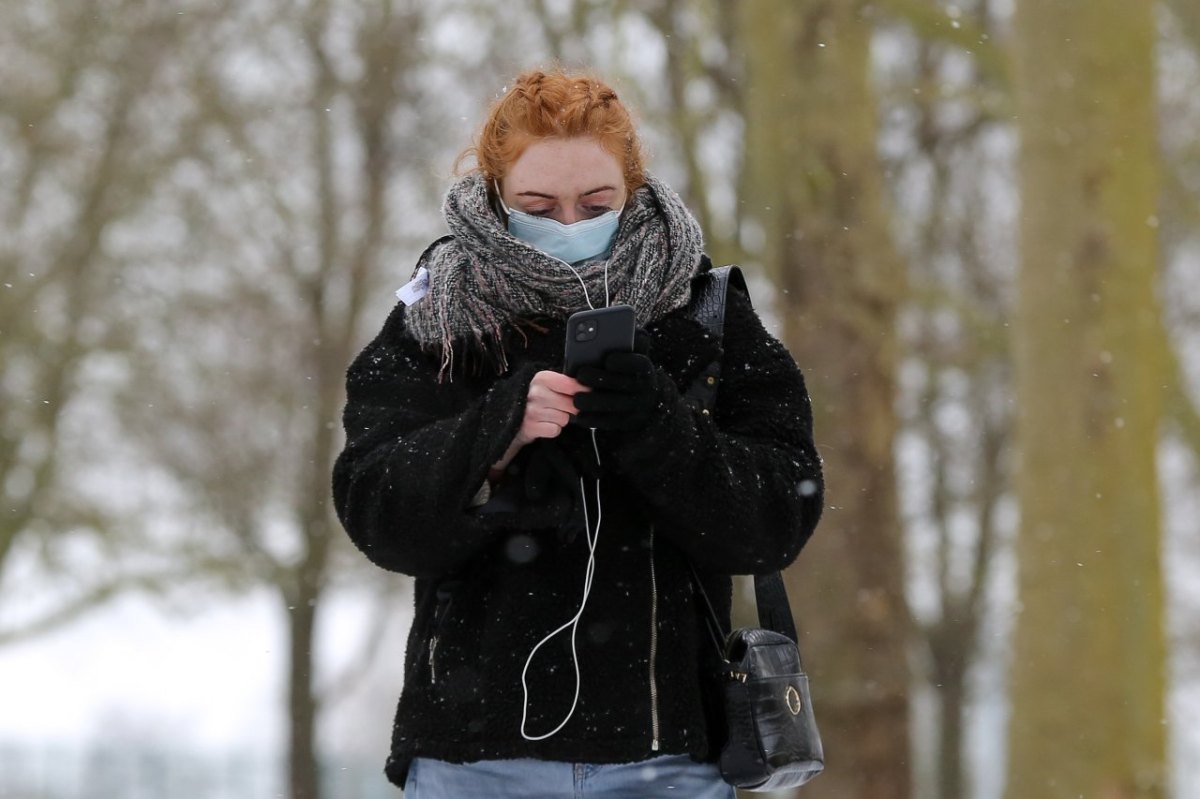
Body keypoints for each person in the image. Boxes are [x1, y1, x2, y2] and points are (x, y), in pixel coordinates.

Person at [332, 68, 823, 799]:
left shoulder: (708, 315)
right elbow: (379, 515)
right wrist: (499, 431)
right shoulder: (435, 320)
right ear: (497, 196)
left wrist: (658, 424)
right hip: (473, 760)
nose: (568, 224)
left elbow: (775, 519)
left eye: (596, 203)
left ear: (633, 188)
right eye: (538, 204)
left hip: (669, 762)